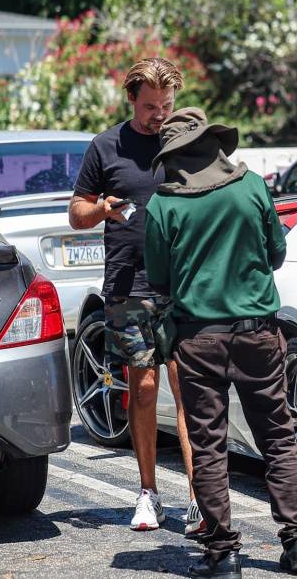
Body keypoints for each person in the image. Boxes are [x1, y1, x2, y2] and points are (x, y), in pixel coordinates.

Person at [144, 108, 297, 578]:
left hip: (198, 339)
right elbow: (276, 253)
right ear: (213, 145)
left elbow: (158, 278)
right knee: (278, 436)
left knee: (209, 444)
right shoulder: (252, 186)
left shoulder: (163, 204)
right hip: (258, 332)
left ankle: (224, 555)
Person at [69, 57, 202, 534]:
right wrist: (101, 210)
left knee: (190, 390)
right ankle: (148, 492)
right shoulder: (106, 146)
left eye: (166, 105)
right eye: (149, 106)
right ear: (131, 100)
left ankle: (198, 495)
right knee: (143, 390)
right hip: (129, 287)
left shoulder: (187, 144)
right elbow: (76, 212)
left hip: (185, 286)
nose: (158, 115)